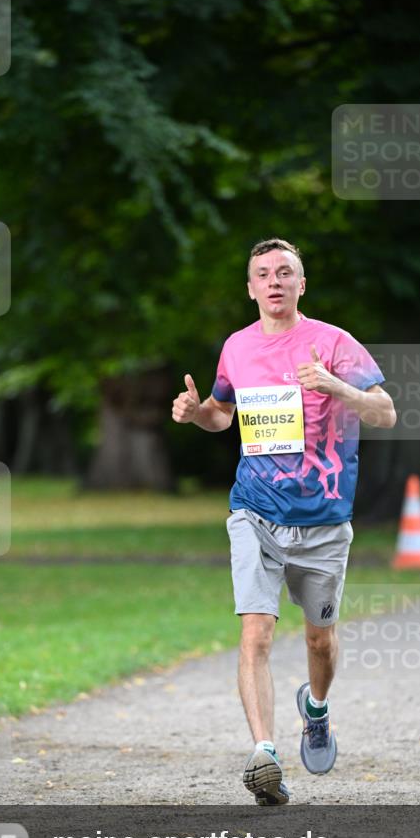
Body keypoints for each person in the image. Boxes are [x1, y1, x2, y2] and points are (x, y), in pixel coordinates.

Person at [172, 238, 396, 805]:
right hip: (255, 510)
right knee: (257, 630)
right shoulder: (237, 347)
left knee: (319, 639)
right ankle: (265, 754)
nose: (274, 281)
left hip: (323, 519)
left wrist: (335, 385)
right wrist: (198, 414)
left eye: (285, 272)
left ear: (301, 284)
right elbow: (222, 413)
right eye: (263, 274)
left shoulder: (334, 342)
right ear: (250, 288)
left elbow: (387, 412)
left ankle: (316, 710)